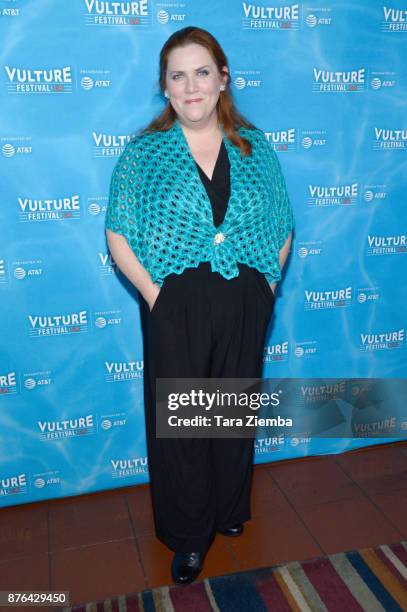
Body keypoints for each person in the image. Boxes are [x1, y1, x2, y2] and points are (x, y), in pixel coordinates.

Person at [105, 26, 294, 585]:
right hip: (175, 306)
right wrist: (156, 295)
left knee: (231, 412)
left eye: (202, 72)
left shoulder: (255, 147)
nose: (191, 86)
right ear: (164, 88)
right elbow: (119, 231)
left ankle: (229, 511)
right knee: (183, 424)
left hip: (243, 302)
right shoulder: (144, 153)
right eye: (177, 75)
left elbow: (280, 225)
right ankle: (189, 537)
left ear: (223, 79)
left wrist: (265, 288)